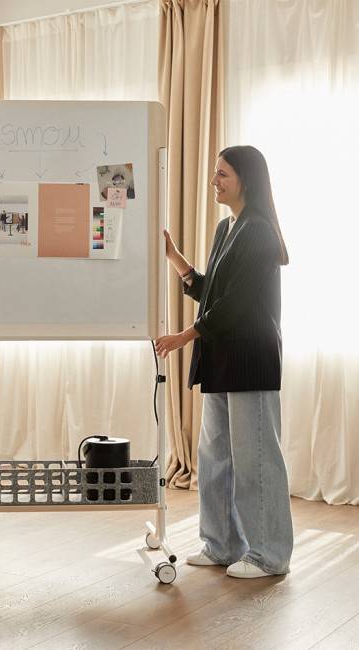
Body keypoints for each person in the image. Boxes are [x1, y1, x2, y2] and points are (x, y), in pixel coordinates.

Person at [155, 145, 293, 579]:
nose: (214, 180)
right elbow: (212, 291)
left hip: (250, 360)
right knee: (214, 457)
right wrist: (175, 258)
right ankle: (221, 545)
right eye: (214, 172)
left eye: (223, 175)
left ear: (246, 180)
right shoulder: (225, 227)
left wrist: (184, 337)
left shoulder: (259, 232)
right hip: (220, 359)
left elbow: (233, 305)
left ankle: (269, 556)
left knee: (255, 460)